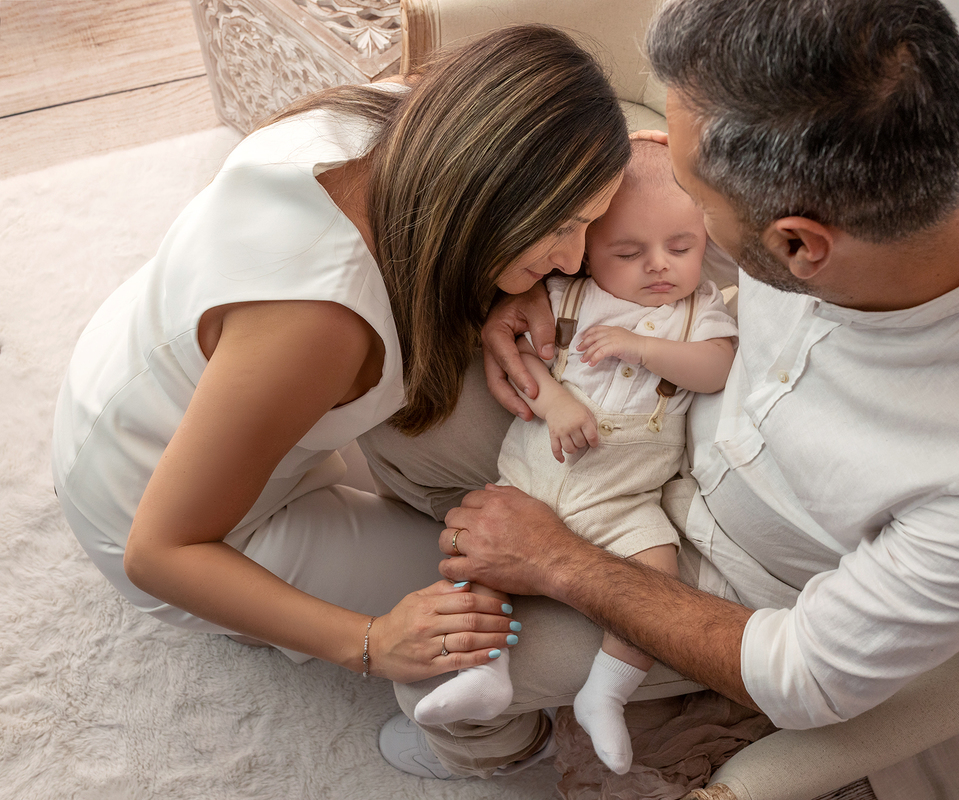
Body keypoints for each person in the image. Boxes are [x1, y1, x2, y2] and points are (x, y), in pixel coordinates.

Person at [367, 0, 959, 779]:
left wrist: (557, 562)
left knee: (429, 671)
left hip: (727, 578)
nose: (672, 181)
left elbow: (807, 675)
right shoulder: (884, 135)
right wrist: (550, 269)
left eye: (696, 203)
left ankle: (515, 749)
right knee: (393, 398)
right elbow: (650, 165)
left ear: (797, 246)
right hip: (638, 423)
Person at [49, 25, 631, 715]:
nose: (573, 259)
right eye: (561, 226)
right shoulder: (320, 324)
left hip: (119, 379)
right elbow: (160, 550)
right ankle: (258, 623)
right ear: (489, 192)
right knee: (523, 600)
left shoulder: (391, 115)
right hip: (156, 516)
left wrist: (516, 281)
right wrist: (371, 642)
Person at [408, 141, 737, 775]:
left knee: (655, 574)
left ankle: (605, 693)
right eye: (628, 252)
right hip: (534, 476)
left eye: (681, 246)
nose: (659, 266)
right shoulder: (568, 296)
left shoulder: (700, 312)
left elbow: (716, 368)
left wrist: (641, 348)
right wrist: (556, 400)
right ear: (589, 252)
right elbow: (523, 354)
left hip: (625, 496)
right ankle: (486, 672)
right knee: (470, 557)